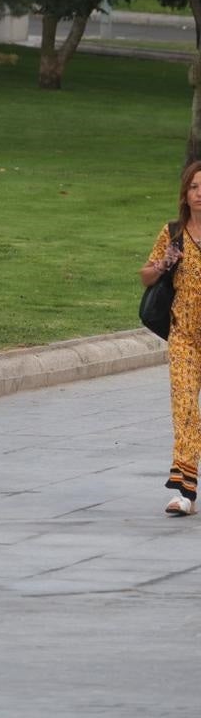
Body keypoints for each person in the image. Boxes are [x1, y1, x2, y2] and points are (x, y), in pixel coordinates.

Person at [141, 161, 201, 516]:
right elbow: (146, 276)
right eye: (194, 187)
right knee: (186, 410)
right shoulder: (173, 232)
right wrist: (164, 263)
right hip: (184, 337)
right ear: (185, 193)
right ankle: (185, 491)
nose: (200, 193)